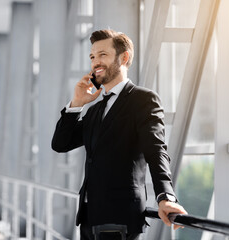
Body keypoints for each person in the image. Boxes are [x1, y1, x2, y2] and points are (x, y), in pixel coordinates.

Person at [51, 29, 187, 240]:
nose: (96, 62)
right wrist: (76, 103)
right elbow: (60, 144)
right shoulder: (94, 110)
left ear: (124, 57)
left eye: (103, 55)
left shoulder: (143, 100)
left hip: (120, 218)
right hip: (89, 217)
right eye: (92, 57)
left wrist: (165, 196)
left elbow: (156, 150)